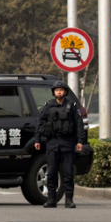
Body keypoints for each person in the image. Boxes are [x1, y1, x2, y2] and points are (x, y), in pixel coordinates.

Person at [35, 80, 86, 208]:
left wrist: (80, 141)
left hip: (67, 144)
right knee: (51, 172)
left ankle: (69, 199)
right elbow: (40, 123)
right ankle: (51, 199)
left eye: (61, 90)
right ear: (54, 92)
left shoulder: (71, 106)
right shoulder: (48, 106)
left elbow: (79, 124)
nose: (59, 92)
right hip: (52, 144)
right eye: (57, 90)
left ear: (65, 92)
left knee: (68, 172)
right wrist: (37, 140)